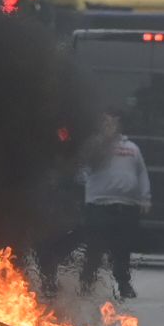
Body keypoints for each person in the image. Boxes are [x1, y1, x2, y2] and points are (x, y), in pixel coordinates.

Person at [39, 111, 151, 300]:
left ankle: (123, 285)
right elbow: (83, 168)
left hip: (126, 206)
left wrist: (145, 198)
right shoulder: (94, 146)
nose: (109, 126)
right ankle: (86, 283)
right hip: (99, 205)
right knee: (95, 247)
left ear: (118, 124)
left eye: (112, 122)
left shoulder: (132, 148)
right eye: (105, 122)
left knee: (122, 248)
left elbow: (141, 173)